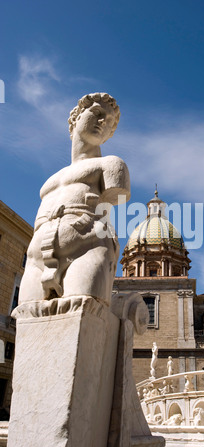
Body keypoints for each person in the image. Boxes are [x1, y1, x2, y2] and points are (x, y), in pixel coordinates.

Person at [18, 93, 130, 307]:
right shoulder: (49, 181)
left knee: (84, 308)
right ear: (76, 117)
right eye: (97, 113)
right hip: (35, 258)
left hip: (86, 248)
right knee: (26, 314)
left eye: (108, 122)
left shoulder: (112, 165)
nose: (102, 122)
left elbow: (116, 196)